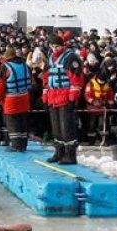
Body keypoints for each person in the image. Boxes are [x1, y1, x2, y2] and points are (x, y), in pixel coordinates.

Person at [42, 35, 84, 164]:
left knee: (67, 127)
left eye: (57, 46)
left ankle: (70, 155)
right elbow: (46, 78)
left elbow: (76, 79)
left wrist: (73, 98)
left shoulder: (70, 58)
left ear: (63, 45)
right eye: (53, 46)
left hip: (65, 96)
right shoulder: (50, 58)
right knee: (56, 128)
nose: (55, 49)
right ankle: (59, 152)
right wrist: (45, 95)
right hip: (53, 96)